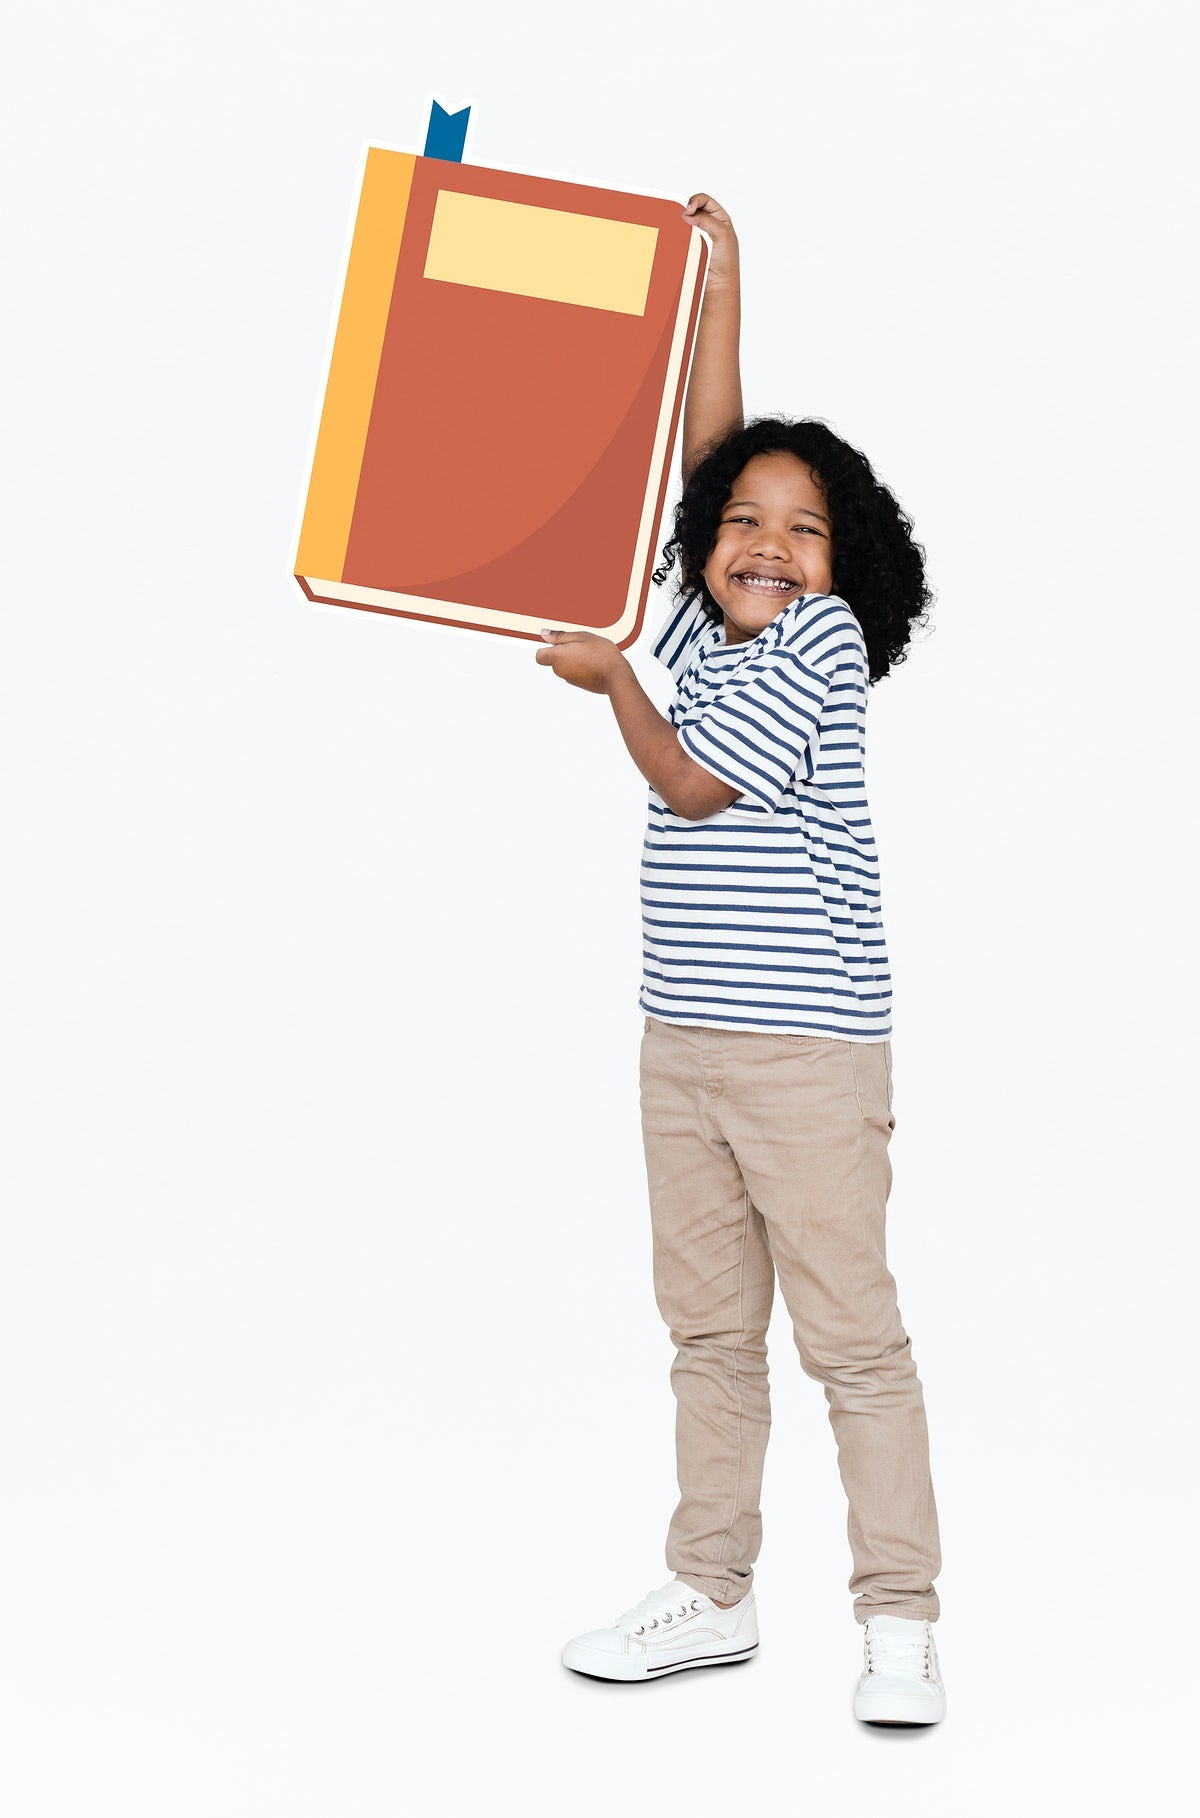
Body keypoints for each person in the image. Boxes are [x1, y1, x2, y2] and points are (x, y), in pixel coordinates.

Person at [537, 193, 946, 1725]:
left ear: (845, 564)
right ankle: (710, 1586)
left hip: (806, 1057)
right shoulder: (709, 628)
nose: (770, 544)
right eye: (744, 525)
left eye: (805, 526)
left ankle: (899, 1615)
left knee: (852, 1337)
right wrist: (720, 296)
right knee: (707, 1332)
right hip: (683, 1044)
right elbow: (715, 445)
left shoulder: (821, 641)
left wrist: (613, 684)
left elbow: (691, 781)